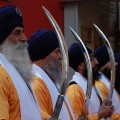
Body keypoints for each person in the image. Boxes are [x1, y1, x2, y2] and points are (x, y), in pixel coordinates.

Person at [0, 5, 43, 120]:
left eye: (23, 32)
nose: (24, 38)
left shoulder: (13, 71)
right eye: (17, 32)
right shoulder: (1, 75)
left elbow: (25, 107)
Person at [28, 29, 75, 120]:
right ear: (44, 54)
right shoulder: (37, 84)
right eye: (57, 51)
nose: (61, 56)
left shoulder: (52, 80)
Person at [66, 43, 114, 120]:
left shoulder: (91, 84)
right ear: (81, 65)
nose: (96, 62)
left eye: (95, 58)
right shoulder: (74, 89)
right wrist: (99, 115)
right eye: (91, 59)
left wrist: (106, 111)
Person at [94, 45, 120, 119]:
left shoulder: (106, 81)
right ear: (102, 66)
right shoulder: (99, 85)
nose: (116, 64)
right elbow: (108, 113)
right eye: (110, 61)